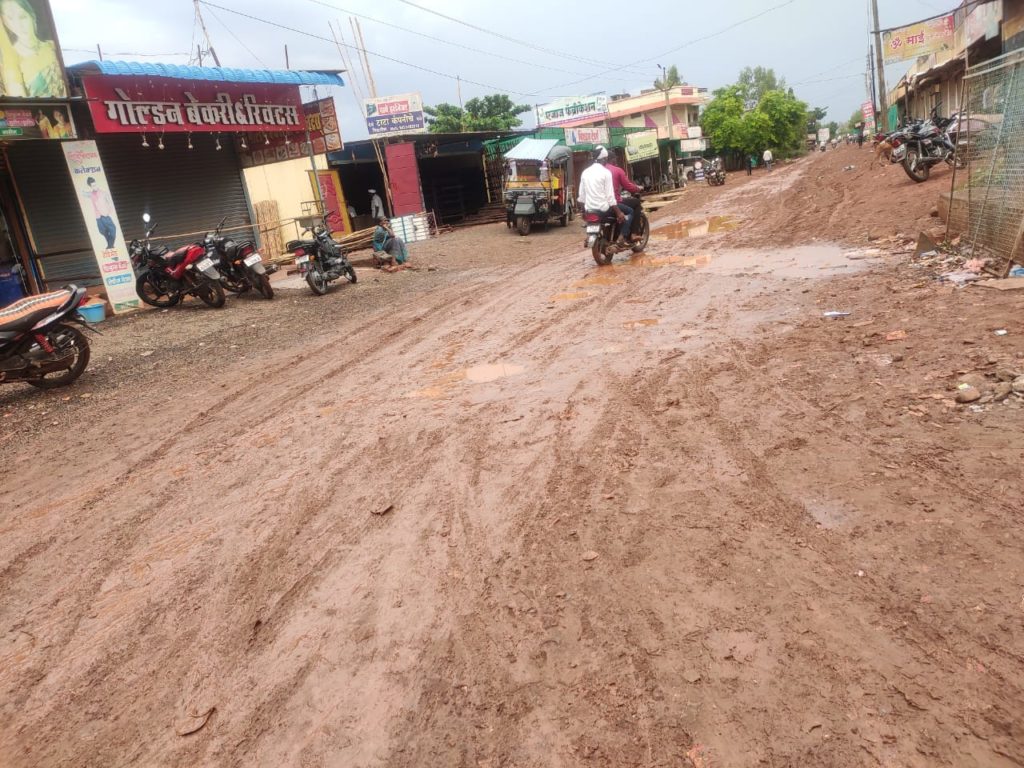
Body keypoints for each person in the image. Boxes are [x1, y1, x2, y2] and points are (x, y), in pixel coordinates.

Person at [0, 0, 67, 98]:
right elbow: (20, 106)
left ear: (32, 16)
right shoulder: (11, 62)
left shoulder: (51, 46)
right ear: (6, 23)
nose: (18, 25)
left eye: (22, 17)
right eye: (10, 19)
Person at [578, 146, 625, 239]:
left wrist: (583, 210)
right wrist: (619, 212)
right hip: (603, 209)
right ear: (604, 159)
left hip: (589, 209)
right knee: (624, 215)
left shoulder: (585, 172)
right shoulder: (606, 172)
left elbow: (582, 195)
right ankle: (619, 238)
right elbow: (610, 197)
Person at [600, 145, 641, 243]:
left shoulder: (599, 171)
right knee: (636, 204)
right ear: (612, 159)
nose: (616, 161)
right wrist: (638, 188)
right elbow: (628, 186)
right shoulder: (617, 170)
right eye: (615, 159)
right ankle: (633, 234)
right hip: (614, 201)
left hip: (600, 203)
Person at [84, 177, 116, 249]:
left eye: (95, 185)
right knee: (102, 231)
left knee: (113, 229)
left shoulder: (103, 193)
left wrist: (109, 212)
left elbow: (110, 202)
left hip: (105, 215)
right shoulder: (90, 194)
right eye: (92, 186)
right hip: (98, 217)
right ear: (90, 186)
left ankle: (110, 246)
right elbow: (83, 193)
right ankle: (110, 246)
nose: (94, 187)